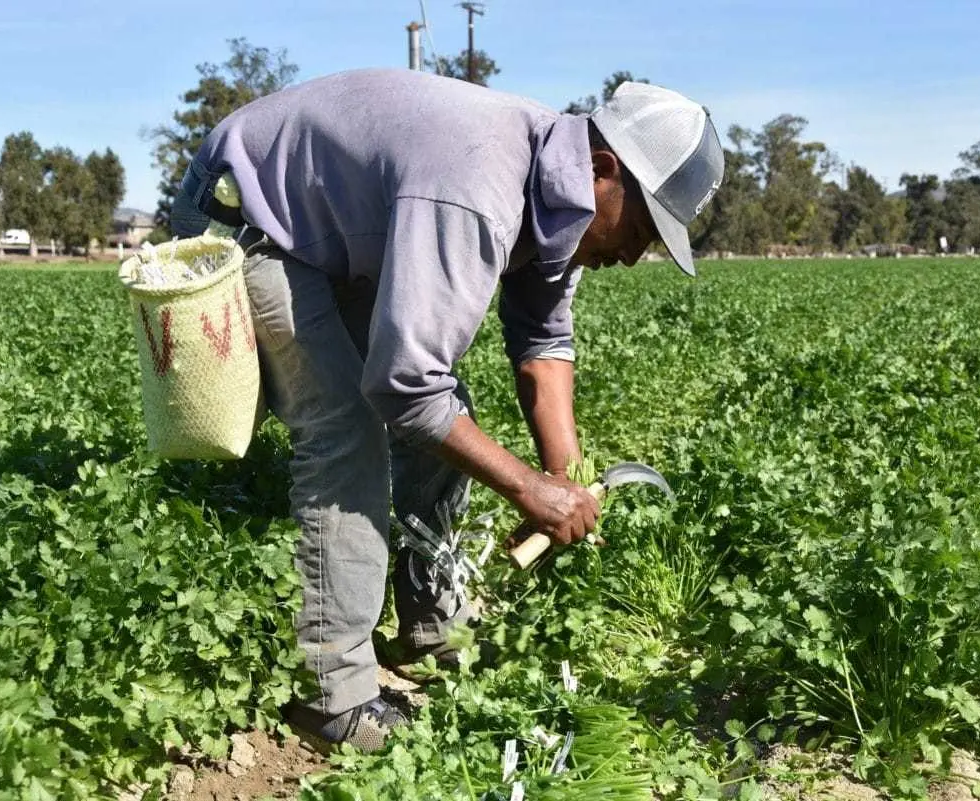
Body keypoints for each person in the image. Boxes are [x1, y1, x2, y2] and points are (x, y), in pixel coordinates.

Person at [169, 67, 724, 752]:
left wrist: (563, 475)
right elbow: (403, 386)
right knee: (350, 422)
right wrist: (526, 486)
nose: (637, 255)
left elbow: (544, 345)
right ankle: (332, 695)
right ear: (603, 170)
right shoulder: (479, 185)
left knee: (447, 410)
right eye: (641, 228)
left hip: (333, 235)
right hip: (249, 218)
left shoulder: (564, 199)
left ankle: (429, 627)